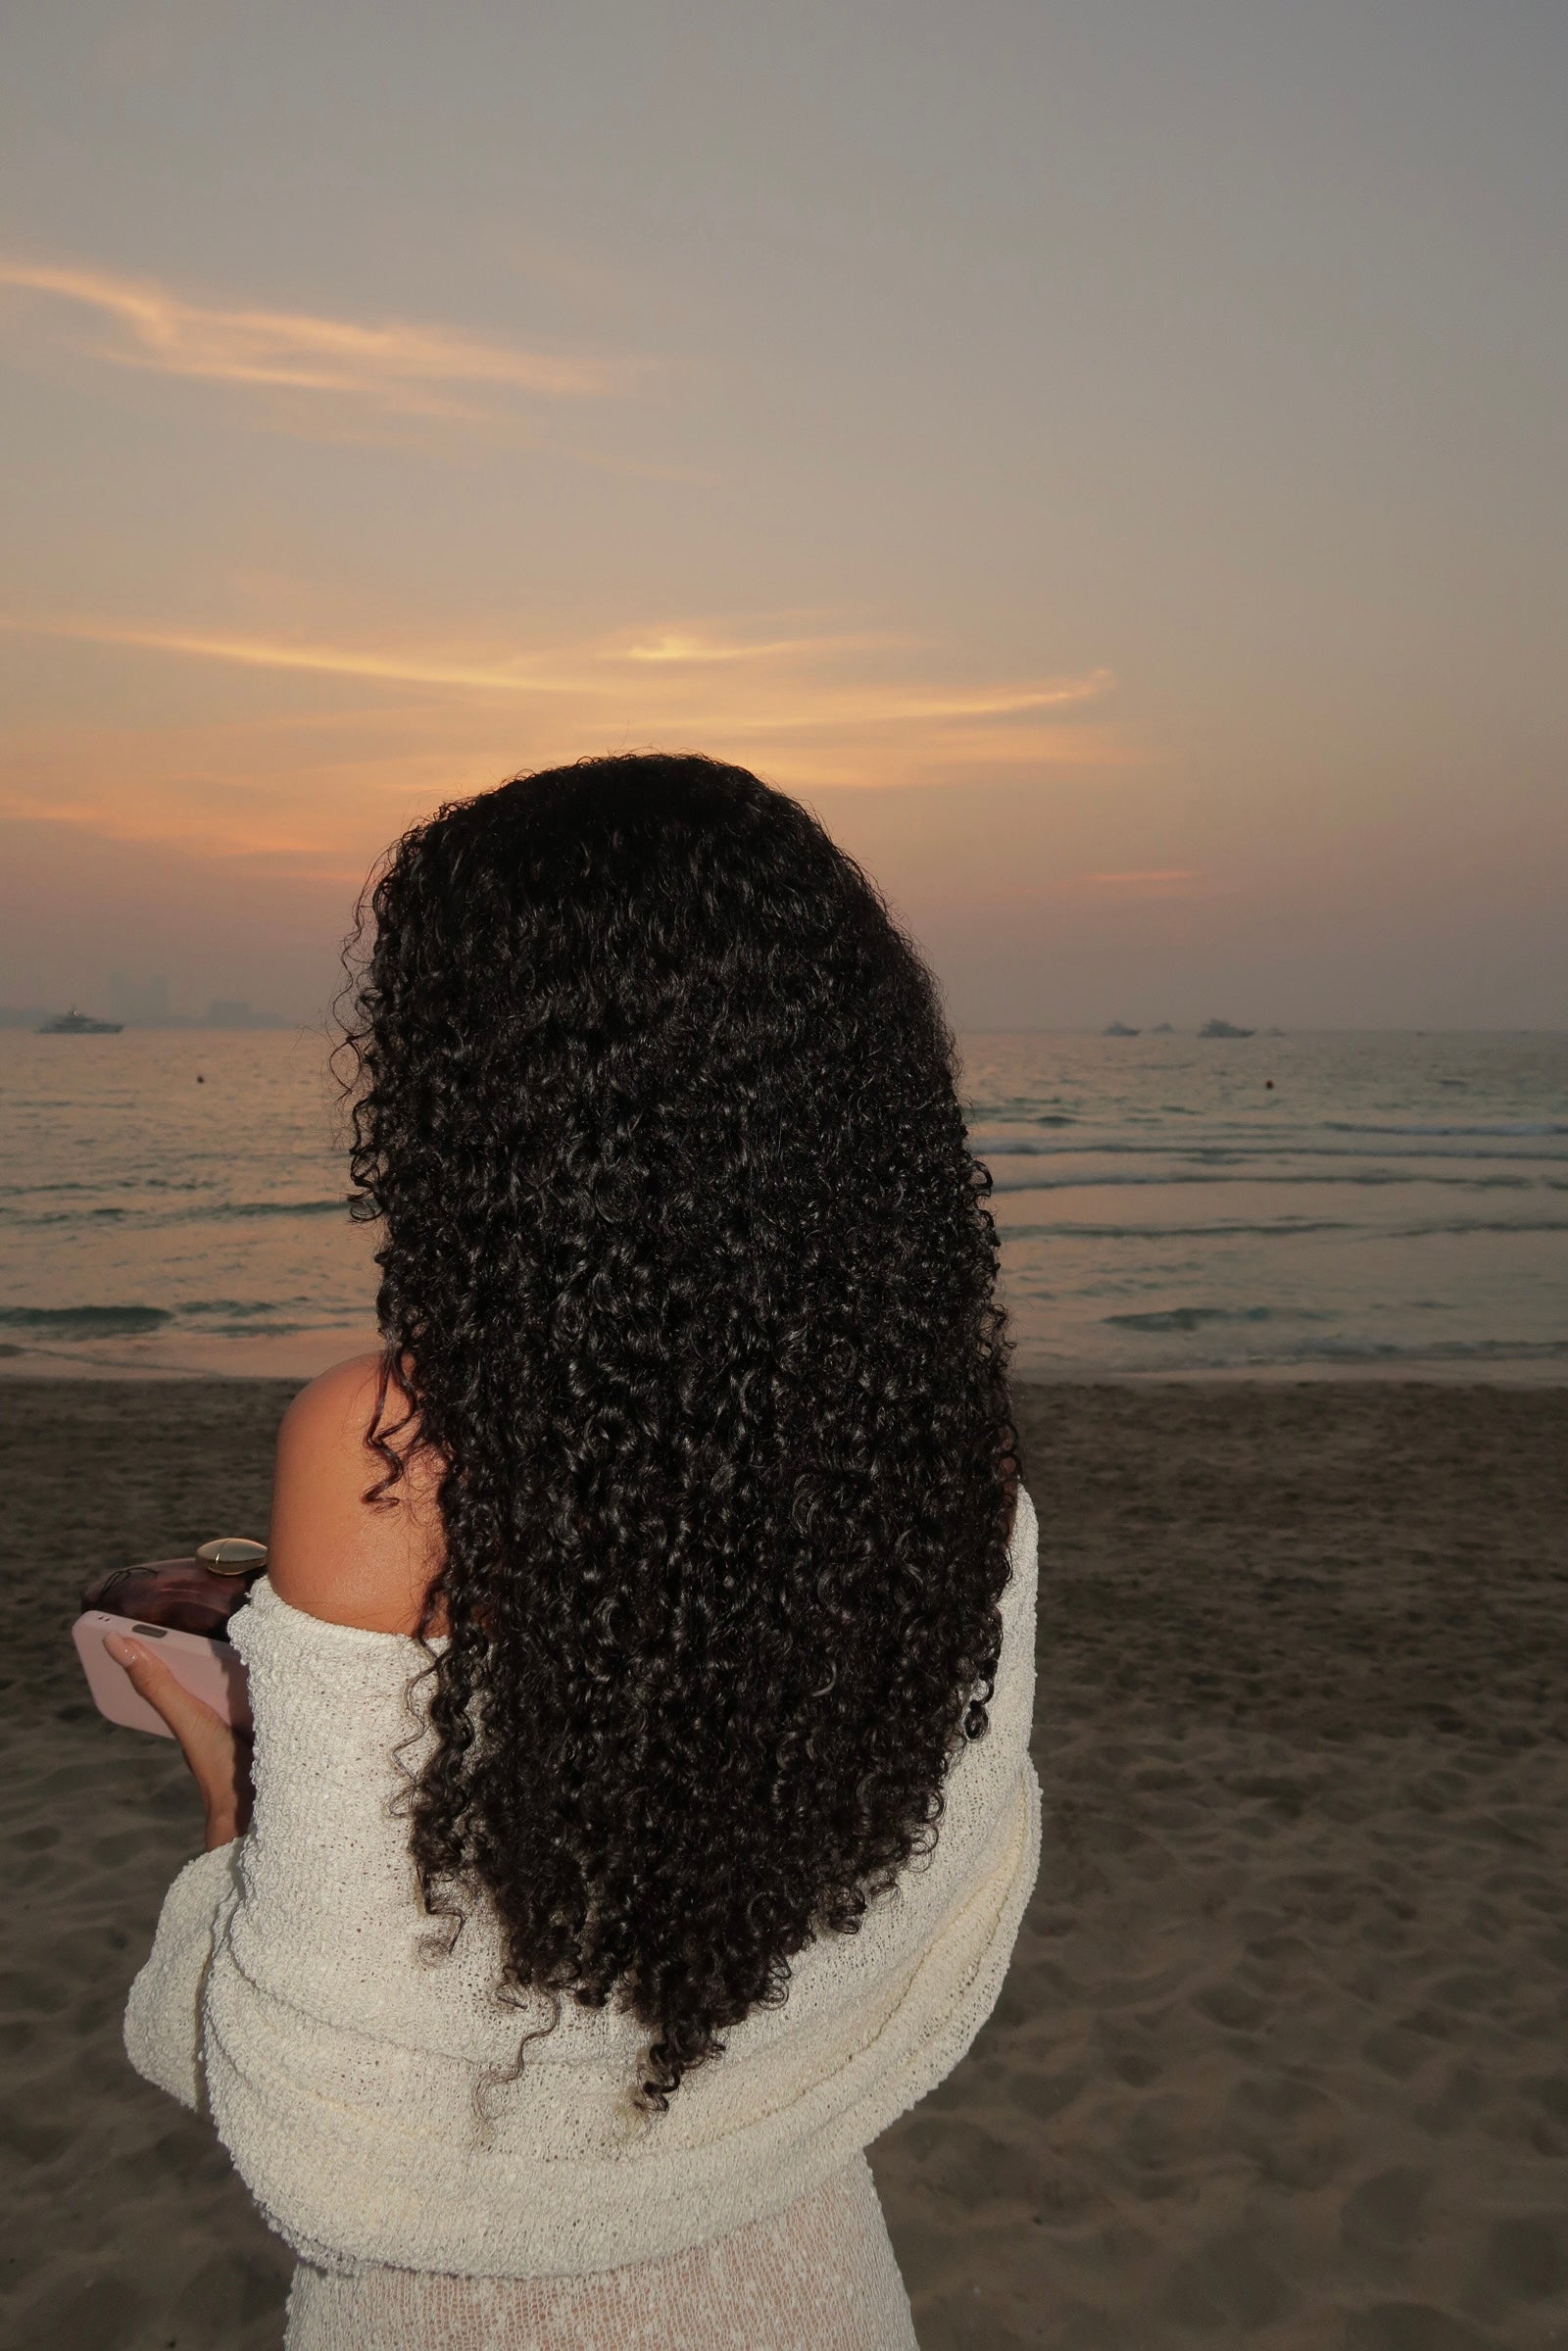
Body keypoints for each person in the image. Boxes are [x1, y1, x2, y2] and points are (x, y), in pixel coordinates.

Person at [112, 753, 1041, 2350]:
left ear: (480, 1093)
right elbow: (902, 1907)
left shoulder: (389, 1451)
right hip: (808, 2271)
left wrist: (230, 1803)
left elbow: (328, 2140)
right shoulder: (937, 1436)